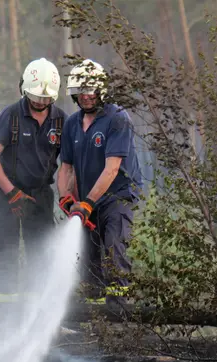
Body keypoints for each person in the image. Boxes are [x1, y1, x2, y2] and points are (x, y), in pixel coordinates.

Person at [57, 59, 143, 305]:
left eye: (90, 90)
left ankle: (118, 317)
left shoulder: (117, 118)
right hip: (87, 202)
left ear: (101, 89)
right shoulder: (72, 124)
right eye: (80, 91)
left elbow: (112, 168)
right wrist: (66, 197)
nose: (85, 96)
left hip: (116, 197)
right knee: (87, 259)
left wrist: (88, 203)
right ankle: (94, 323)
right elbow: (66, 168)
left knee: (114, 248)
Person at [0, 58, 67, 302]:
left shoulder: (60, 121)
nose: (41, 102)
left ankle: (34, 309)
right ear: (23, 89)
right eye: (36, 97)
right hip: (6, 193)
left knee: (40, 253)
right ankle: (4, 309)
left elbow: (68, 165)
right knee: (6, 251)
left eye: (46, 98)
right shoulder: (11, 116)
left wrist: (68, 195)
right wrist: (12, 193)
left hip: (40, 194)